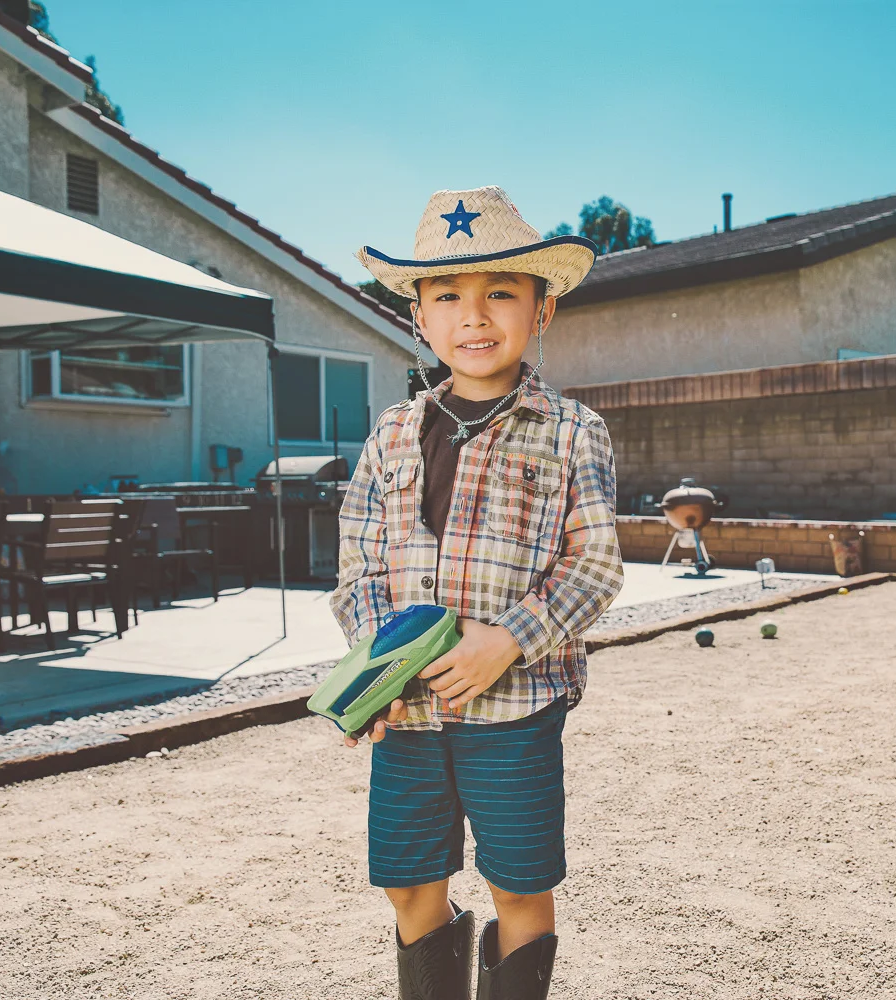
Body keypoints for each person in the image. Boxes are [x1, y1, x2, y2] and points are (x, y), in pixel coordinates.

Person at [330, 186, 624, 1000]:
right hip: (411, 711)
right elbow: (357, 568)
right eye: (449, 295)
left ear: (542, 312)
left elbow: (594, 563)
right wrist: (375, 670)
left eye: (501, 292)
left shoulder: (571, 430)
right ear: (419, 317)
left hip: (517, 708)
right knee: (406, 882)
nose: (475, 314)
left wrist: (510, 638)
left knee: (521, 886)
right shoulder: (390, 433)